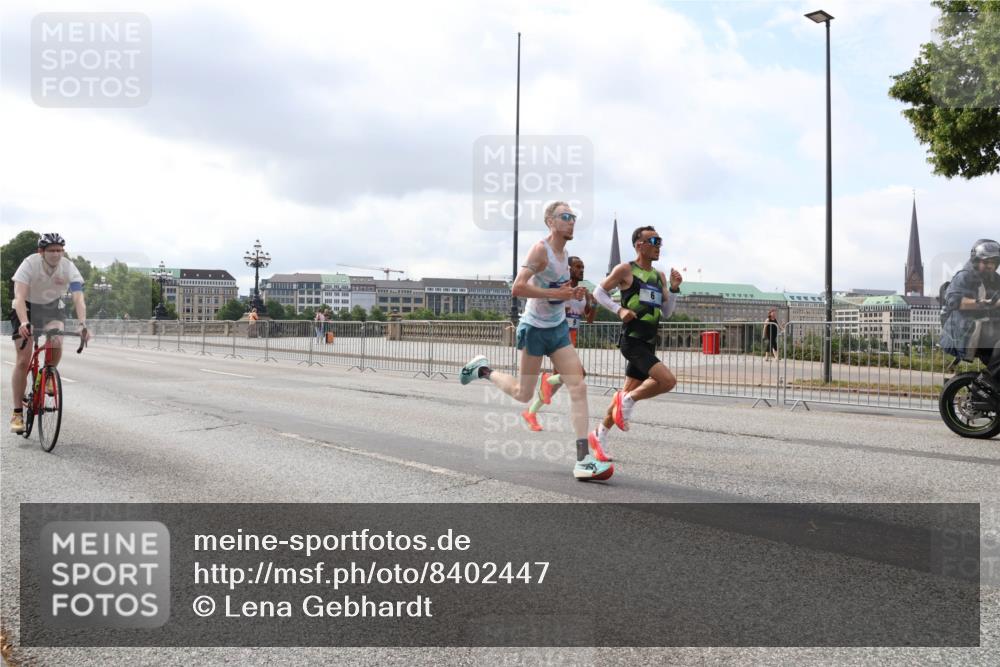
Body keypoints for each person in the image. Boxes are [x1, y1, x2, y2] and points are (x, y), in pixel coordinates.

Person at [460, 202, 613, 481]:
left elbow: (556, 291)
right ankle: (483, 370)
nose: (572, 221)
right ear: (550, 222)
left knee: (578, 385)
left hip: (557, 328)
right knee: (523, 394)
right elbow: (518, 287)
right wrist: (557, 295)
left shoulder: (564, 255)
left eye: (573, 217)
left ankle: (583, 460)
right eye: (565, 217)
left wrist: (571, 294)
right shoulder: (540, 250)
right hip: (534, 328)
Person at [589, 226, 682, 460]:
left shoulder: (659, 276)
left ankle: (600, 434)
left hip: (649, 341)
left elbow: (667, 312)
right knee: (667, 381)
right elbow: (598, 292)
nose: (659, 246)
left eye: (660, 241)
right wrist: (618, 309)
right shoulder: (626, 270)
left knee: (626, 392)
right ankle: (627, 401)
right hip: (632, 341)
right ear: (639, 245)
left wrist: (673, 289)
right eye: (654, 241)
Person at [8, 233, 91, 433]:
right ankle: (17, 413)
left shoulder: (68, 267)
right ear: (41, 252)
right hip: (26, 308)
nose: (56, 254)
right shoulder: (29, 264)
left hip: (52, 307)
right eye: (51, 250)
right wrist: (24, 322)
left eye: (59, 250)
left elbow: (78, 298)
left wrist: (82, 323)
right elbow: (19, 297)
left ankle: (48, 375)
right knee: (23, 360)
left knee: (57, 340)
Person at [521, 255, 595, 432]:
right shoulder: (562, 289)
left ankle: (531, 412)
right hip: (558, 336)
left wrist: (593, 304)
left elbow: (589, 319)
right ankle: (545, 385)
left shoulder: (584, 293)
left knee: (557, 382)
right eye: (577, 266)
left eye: (583, 267)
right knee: (578, 374)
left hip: (571, 337)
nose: (581, 270)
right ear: (568, 269)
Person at [941, 239, 1000, 394]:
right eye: (986, 262)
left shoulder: (994, 278)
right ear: (976, 260)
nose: (990, 266)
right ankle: (983, 385)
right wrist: (987, 304)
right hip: (966, 331)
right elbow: (954, 301)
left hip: (986, 328)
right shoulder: (965, 276)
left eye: (994, 262)